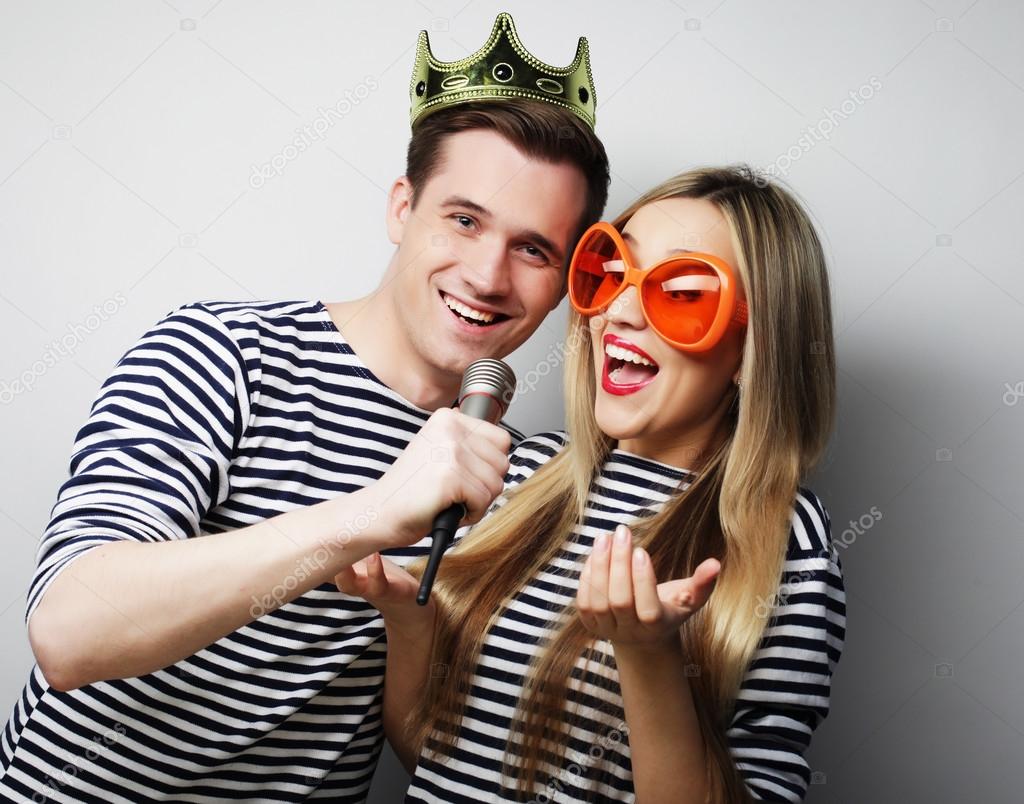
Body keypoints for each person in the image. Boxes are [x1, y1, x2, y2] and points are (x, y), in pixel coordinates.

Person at [0, 13, 610, 802]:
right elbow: (68, 632)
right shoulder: (221, 353)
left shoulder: (514, 478)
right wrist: (374, 512)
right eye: (463, 219)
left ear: (567, 279)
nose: (489, 275)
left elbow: (428, 747)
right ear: (401, 210)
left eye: (534, 249)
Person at [337, 165, 847, 803]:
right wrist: (408, 625)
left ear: (754, 348)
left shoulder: (784, 537)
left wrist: (648, 657)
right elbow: (429, 753)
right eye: (611, 273)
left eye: (683, 292)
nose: (619, 312)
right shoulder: (524, 472)